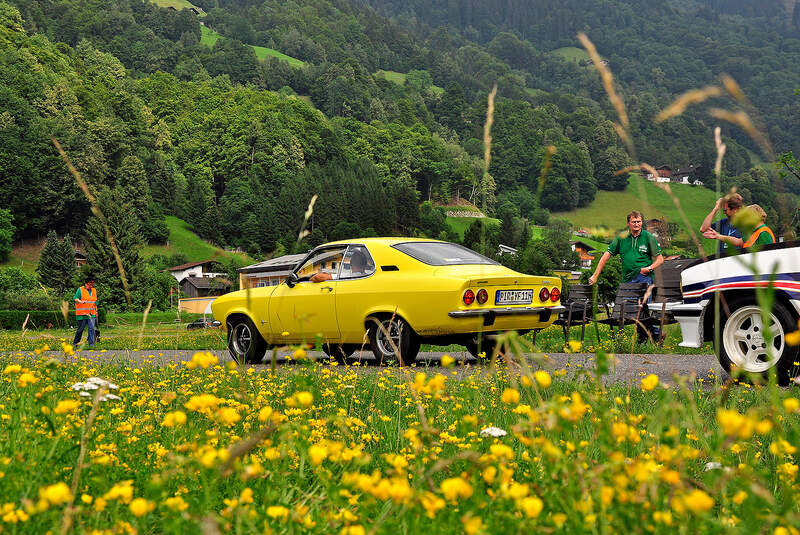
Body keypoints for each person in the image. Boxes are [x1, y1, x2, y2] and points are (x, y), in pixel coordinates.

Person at [588, 210, 664, 343]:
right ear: (628, 223)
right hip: (628, 280)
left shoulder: (648, 237)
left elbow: (660, 259)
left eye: (639, 221)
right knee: (630, 311)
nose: (636, 224)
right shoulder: (621, 238)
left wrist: (649, 268)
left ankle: (643, 339)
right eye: (634, 222)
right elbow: (606, 255)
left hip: (644, 279)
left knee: (642, 310)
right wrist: (595, 275)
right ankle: (656, 334)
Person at [73, 277, 98, 348]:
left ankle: (91, 344)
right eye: (90, 284)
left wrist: (96, 311)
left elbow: (95, 302)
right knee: (80, 329)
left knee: (91, 328)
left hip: (92, 314)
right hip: (82, 314)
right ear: (86, 284)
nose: (91, 286)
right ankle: (75, 343)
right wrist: (80, 301)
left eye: (92, 284)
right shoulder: (80, 289)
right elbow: (75, 298)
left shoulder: (94, 290)